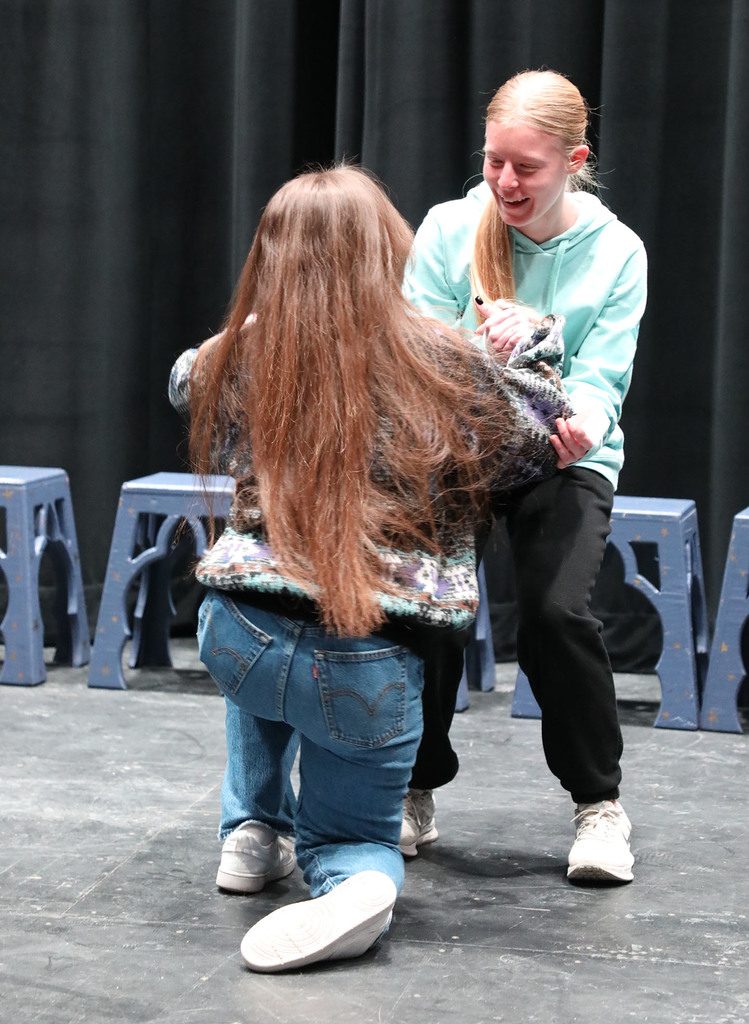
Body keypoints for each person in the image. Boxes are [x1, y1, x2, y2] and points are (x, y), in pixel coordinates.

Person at [169, 165, 571, 972]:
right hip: (367, 663)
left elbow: (187, 381)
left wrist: (247, 325)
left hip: (233, 637)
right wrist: (533, 341)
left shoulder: (250, 354)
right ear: (388, 246)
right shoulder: (443, 358)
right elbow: (539, 436)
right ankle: (350, 878)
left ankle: (251, 833)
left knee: (270, 622)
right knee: (355, 836)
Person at [400, 69, 648, 884]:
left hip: (558, 455)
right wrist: (486, 352)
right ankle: (413, 783)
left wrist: (568, 403)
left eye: (526, 167)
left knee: (552, 609)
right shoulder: (447, 227)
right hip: (458, 447)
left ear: (573, 159)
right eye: (493, 162)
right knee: (424, 597)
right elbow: (417, 353)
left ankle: (597, 807)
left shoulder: (615, 252)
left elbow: (601, 382)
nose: (505, 182)